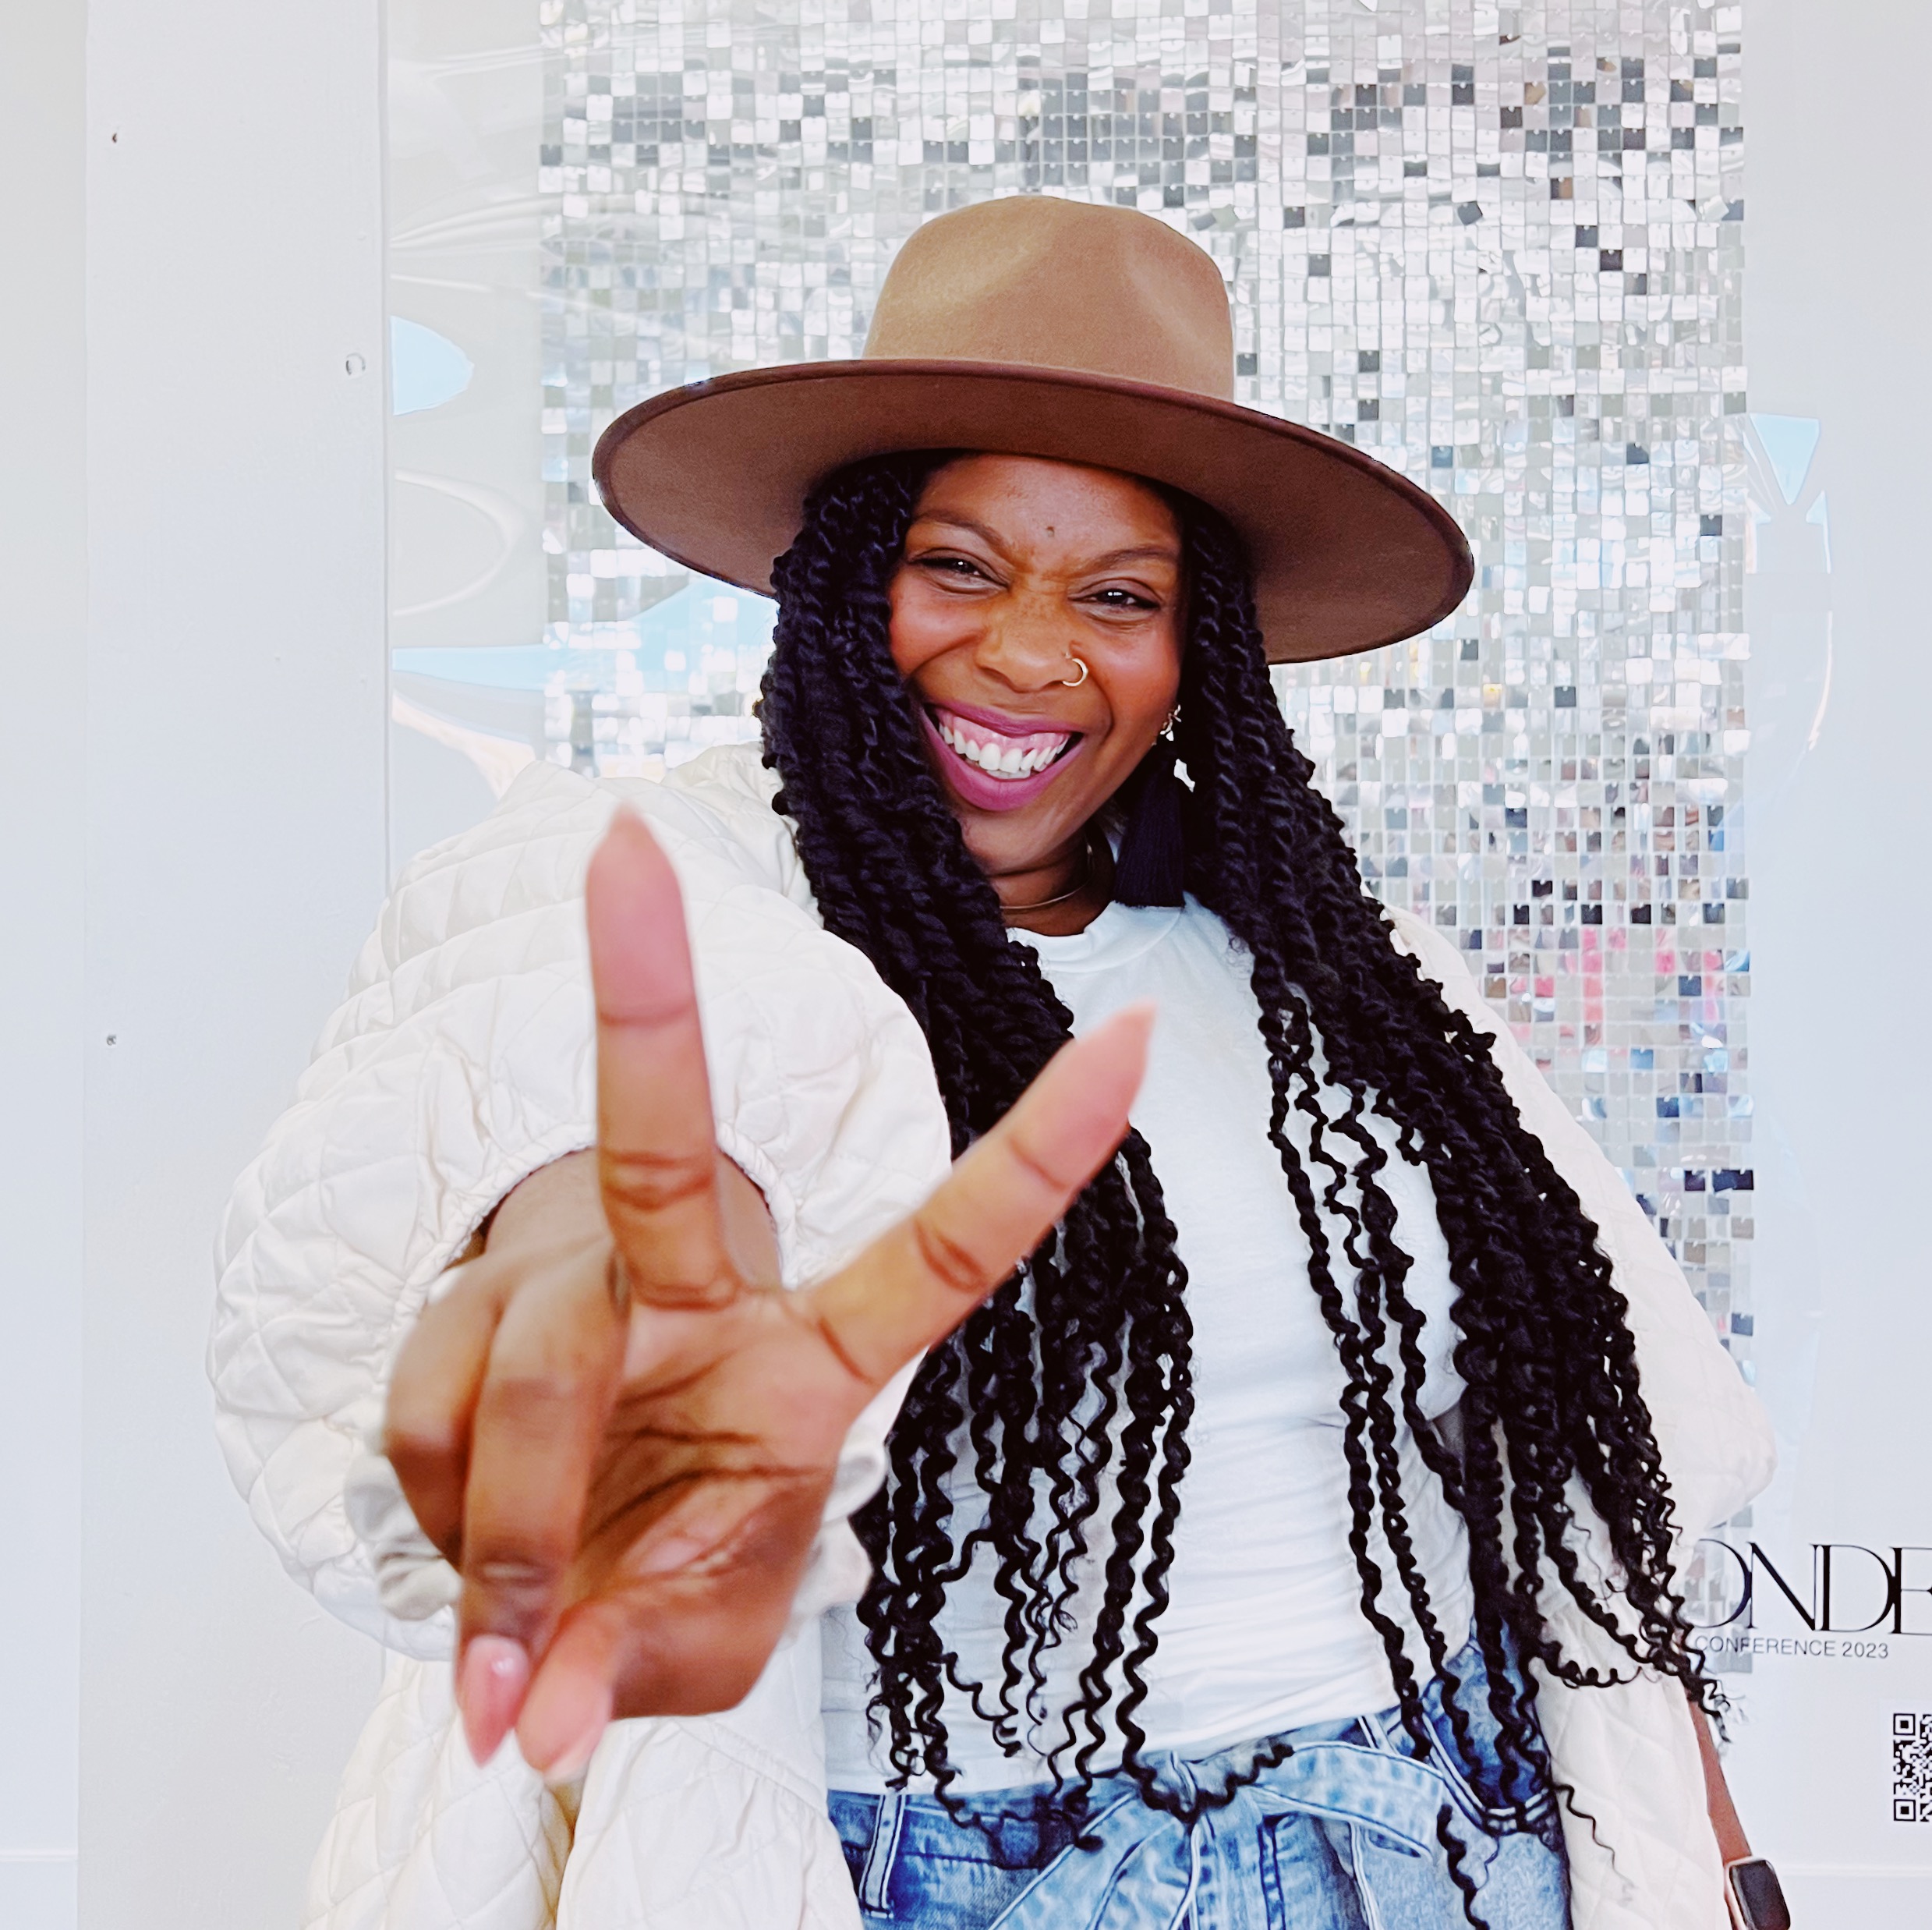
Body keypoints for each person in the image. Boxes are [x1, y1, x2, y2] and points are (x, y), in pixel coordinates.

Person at [211, 197, 1773, 1930]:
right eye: (957, 565)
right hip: (946, 1874)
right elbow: (586, 1076)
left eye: (1119, 595)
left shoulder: (1337, 961)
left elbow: (1578, 1495)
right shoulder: (676, 883)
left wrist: (1723, 1858)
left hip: (1433, 1833)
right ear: (842, 581)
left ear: (1195, 652)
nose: (1030, 652)